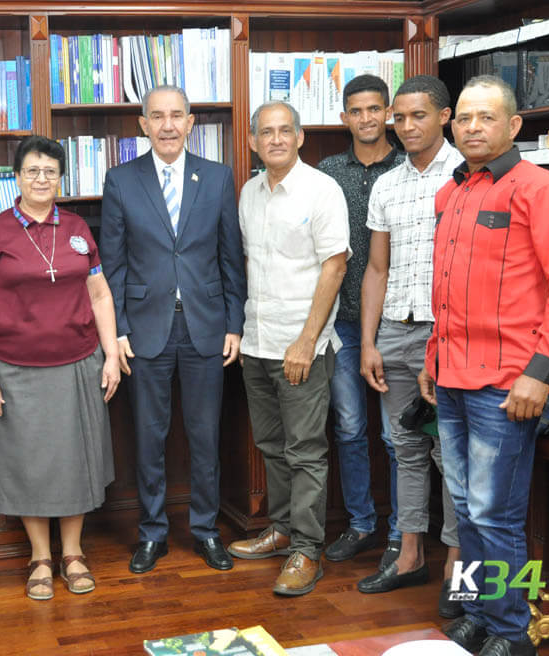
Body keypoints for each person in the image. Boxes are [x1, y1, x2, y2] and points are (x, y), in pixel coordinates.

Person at [425, 75, 549, 656]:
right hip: (450, 376)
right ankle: (478, 610)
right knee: (466, 509)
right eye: (464, 117)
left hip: (506, 385)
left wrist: (538, 374)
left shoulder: (541, 191)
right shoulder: (453, 192)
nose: (472, 127)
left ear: (513, 125)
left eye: (486, 117)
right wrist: (431, 359)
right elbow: (446, 289)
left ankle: (512, 632)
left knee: (498, 515)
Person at [0, 135, 120, 601]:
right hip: (14, 368)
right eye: (32, 170)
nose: (41, 179)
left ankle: (72, 553)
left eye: (50, 171)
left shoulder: (76, 227)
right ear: (16, 176)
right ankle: (39, 556)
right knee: (28, 464)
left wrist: (111, 354)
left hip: (78, 362)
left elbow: (100, 295)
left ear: (60, 178)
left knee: (76, 461)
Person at [99, 85, 247, 574]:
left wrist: (234, 322)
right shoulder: (121, 180)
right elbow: (113, 265)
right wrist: (118, 329)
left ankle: (206, 531)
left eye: (176, 116)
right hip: (144, 331)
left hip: (206, 328)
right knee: (149, 437)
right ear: (143, 125)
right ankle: (152, 533)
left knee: (205, 437)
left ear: (190, 123)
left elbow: (230, 257)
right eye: (157, 116)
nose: (167, 125)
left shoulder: (220, 177)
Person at [227, 101, 349, 596]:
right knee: (270, 446)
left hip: (302, 347)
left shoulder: (322, 190)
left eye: (284, 131)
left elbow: (335, 266)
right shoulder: (249, 193)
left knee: (304, 451)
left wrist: (306, 340)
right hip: (257, 342)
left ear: (300, 137)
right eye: (265, 132)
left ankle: (307, 549)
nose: (275, 139)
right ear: (254, 141)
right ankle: (280, 530)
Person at [356, 76, 462, 616]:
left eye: (418, 115)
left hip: (446, 339)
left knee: (450, 453)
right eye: (400, 117)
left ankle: (455, 565)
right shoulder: (387, 185)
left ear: (444, 116)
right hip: (395, 332)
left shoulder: (466, 177)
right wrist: (369, 341)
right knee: (405, 447)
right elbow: (376, 269)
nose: (406, 126)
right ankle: (410, 554)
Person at [317, 75, 405, 567]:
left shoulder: (408, 166)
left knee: (397, 438)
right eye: (357, 110)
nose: (367, 118)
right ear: (344, 116)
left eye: (375, 109)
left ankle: (401, 532)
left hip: (399, 323)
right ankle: (361, 524)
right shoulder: (328, 171)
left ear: (387, 112)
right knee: (349, 429)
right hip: (344, 323)